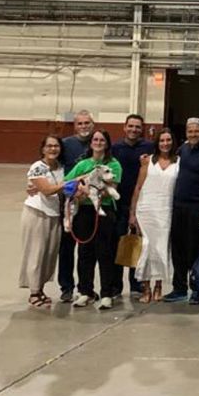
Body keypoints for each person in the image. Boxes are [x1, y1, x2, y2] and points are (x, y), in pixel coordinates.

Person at [63, 129, 122, 310]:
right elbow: (67, 183)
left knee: (105, 253)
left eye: (101, 140)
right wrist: (79, 190)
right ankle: (85, 291)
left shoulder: (113, 165)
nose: (98, 142)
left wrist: (94, 190)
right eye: (95, 139)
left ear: (107, 143)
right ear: (91, 143)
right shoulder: (82, 165)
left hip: (103, 211)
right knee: (85, 252)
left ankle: (106, 293)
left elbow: (111, 188)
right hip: (84, 212)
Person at [165, 117, 199, 304]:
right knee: (178, 249)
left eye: (197, 131)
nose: (193, 134)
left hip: (198, 209)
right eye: (190, 131)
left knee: (195, 251)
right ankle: (179, 288)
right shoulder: (182, 151)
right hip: (179, 207)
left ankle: (197, 290)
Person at [130, 128, 178, 303]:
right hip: (146, 210)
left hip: (165, 210)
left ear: (173, 142)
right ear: (157, 143)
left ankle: (158, 286)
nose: (165, 144)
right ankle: (146, 288)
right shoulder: (147, 161)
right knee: (146, 249)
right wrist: (132, 213)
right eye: (162, 140)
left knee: (161, 248)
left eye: (168, 140)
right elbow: (138, 187)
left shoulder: (178, 162)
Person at [110, 114, 154, 298]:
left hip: (141, 203)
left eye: (137, 127)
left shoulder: (149, 148)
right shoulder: (115, 148)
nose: (134, 130)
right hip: (118, 204)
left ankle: (136, 284)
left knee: (138, 245)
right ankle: (115, 286)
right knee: (118, 244)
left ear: (142, 129)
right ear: (124, 127)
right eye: (131, 126)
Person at [20, 136, 65, 308]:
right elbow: (46, 190)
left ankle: (40, 288)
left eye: (56, 146)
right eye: (49, 146)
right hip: (36, 214)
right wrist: (71, 182)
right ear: (43, 149)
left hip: (54, 214)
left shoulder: (60, 168)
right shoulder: (37, 167)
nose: (53, 149)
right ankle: (33, 292)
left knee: (49, 254)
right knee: (36, 253)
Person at [57, 109, 94, 303]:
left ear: (93, 124)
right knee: (66, 246)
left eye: (87, 123)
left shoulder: (97, 142)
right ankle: (66, 287)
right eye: (80, 123)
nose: (84, 127)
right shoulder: (66, 145)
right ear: (74, 126)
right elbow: (53, 166)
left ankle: (85, 287)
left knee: (87, 248)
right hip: (68, 204)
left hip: (88, 204)